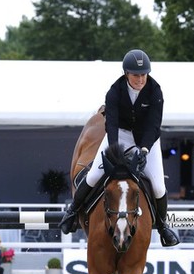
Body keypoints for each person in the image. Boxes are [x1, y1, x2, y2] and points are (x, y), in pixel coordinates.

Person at [58, 49, 180, 247]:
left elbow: (154, 125)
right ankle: (72, 212)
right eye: (135, 75)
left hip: (147, 141)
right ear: (126, 74)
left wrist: (144, 150)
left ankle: (163, 226)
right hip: (119, 135)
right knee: (92, 176)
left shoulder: (155, 91)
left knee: (158, 186)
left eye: (143, 74)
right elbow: (111, 124)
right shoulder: (114, 91)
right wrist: (113, 150)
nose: (140, 79)